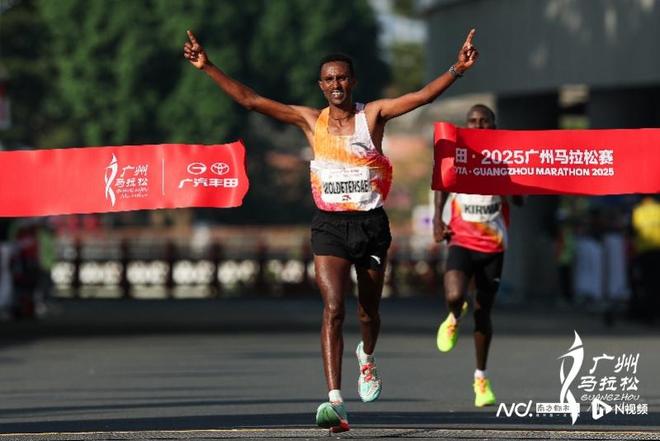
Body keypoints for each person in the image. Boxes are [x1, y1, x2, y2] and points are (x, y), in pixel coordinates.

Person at [184, 29, 479, 432]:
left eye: (342, 77)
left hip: (371, 225)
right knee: (334, 309)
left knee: (368, 312)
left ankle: (367, 358)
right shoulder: (310, 121)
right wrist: (207, 66)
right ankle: (335, 401)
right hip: (329, 226)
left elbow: (423, 96)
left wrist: (456, 69)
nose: (336, 84)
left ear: (352, 81)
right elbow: (251, 101)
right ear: (320, 86)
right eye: (329, 79)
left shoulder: (372, 115)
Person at [432, 104, 522, 408]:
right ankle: (455, 315)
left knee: (483, 313)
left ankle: (481, 379)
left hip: (493, 246)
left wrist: (509, 179)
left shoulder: (506, 157)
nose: (478, 126)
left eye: (484, 121)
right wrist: (437, 218)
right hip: (461, 239)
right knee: (454, 295)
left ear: (494, 125)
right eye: (473, 121)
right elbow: (442, 183)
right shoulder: (459, 153)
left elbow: (519, 201)